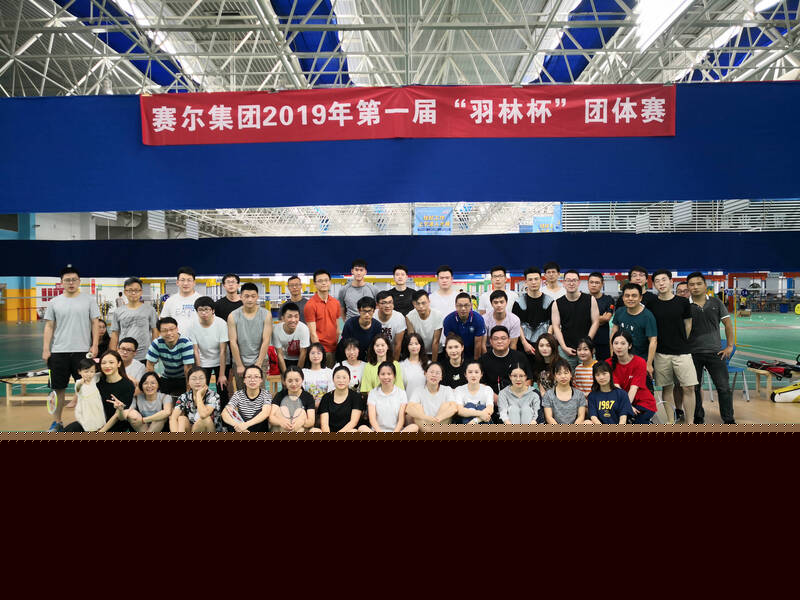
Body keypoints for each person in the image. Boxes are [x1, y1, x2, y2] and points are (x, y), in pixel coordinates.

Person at [43, 265, 101, 432]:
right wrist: (46, 348)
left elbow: (95, 323)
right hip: (58, 352)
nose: (71, 283)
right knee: (58, 389)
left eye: (74, 280)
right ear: (61, 282)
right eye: (67, 280)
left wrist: (95, 344)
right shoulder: (54, 302)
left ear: (79, 281)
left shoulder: (89, 300)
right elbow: (49, 326)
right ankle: (57, 422)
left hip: (82, 352)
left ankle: (86, 422)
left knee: (86, 387)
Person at [686, 272, 736, 424]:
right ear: (688, 287)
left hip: (716, 352)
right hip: (692, 353)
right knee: (694, 388)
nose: (695, 287)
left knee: (723, 387)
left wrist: (729, 346)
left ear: (705, 285)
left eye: (698, 283)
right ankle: (698, 417)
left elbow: (728, 325)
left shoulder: (716, 302)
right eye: (692, 284)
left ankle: (728, 419)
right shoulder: (684, 305)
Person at [649, 270, 697, 424]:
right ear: (654, 284)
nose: (661, 283)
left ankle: (690, 422)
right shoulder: (651, 304)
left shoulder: (683, 302)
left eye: (664, 279)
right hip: (661, 353)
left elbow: (688, 324)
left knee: (689, 387)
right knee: (667, 388)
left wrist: (681, 341)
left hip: (682, 352)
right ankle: (671, 421)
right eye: (657, 281)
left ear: (671, 282)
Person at [551, 270, 599, 369]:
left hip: (586, 350)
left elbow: (595, 322)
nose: (571, 283)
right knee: (565, 376)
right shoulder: (557, 303)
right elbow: (556, 326)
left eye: (574, 280)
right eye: (568, 280)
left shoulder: (590, 300)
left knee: (589, 376)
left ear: (579, 282)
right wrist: (563, 347)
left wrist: (586, 343)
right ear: (564, 283)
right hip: (566, 350)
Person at [228, 282, 271, 393]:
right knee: (242, 393)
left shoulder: (266, 314)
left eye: (253, 296)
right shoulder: (233, 316)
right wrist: (239, 365)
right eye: (246, 296)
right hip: (240, 360)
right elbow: (233, 342)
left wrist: (259, 363)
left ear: (257, 297)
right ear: (241, 297)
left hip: (260, 359)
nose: (250, 299)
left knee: (259, 392)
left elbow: (266, 340)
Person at [479, 326, 528, 422]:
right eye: (496, 339)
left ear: (509, 340)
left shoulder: (520, 357)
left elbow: (528, 380)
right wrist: (499, 400)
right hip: (492, 402)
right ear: (491, 341)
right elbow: (481, 384)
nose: (499, 341)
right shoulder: (483, 360)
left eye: (503, 338)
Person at [185, 296, 228, 404]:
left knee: (222, 389)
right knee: (201, 390)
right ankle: (202, 412)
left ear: (213, 310)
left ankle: (223, 413)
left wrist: (222, 374)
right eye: (200, 310)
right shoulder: (192, 326)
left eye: (207, 309)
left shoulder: (221, 323)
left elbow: (223, 351)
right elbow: (196, 351)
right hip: (203, 361)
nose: (204, 313)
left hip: (220, 361)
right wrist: (200, 373)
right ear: (196, 311)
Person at [608, 330, 657, 424]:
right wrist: (627, 406)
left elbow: (633, 388)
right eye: (616, 343)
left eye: (623, 343)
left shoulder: (640, 362)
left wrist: (626, 406)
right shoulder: (608, 363)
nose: (619, 347)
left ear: (629, 346)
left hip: (642, 402)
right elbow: (617, 389)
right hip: (620, 401)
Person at [610, 283, 658, 377]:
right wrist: (612, 355)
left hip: (640, 361)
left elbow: (653, 341)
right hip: (621, 359)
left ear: (640, 298)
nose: (630, 298)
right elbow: (613, 334)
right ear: (623, 298)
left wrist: (648, 364)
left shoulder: (648, 316)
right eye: (627, 296)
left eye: (634, 296)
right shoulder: (620, 312)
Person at [358, 362, 418, 432]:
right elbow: (372, 419)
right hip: (377, 432)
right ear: (378, 376)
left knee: (414, 427)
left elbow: (401, 419)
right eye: (383, 374)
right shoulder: (372, 393)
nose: (386, 377)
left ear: (394, 376)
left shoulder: (401, 393)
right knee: (362, 428)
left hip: (396, 432)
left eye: (389, 374)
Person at [513, 267, 554, 368]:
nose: (533, 282)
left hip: (544, 347)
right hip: (524, 346)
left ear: (541, 280)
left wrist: (546, 343)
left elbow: (552, 323)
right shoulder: (519, 302)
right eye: (530, 279)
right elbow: (517, 324)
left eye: (536, 279)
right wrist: (524, 343)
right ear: (526, 282)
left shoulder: (549, 301)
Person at [110, 276, 158, 362]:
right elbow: (115, 334)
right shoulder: (118, 311)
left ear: (141, 292)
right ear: (125, 292)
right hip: (124, 355)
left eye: (136, 290)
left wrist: (154, 352)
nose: (133, 293)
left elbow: (155, 331)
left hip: (145, 355)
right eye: (130, 290)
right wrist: (113, 355)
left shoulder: (150, 310)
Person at [146, 317, 195, 399]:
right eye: (165, 330)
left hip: (184, 378)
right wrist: (153, 384)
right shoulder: (157, 343)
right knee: (161, 399)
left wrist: (188, 391)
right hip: (167, 377)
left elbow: (188, 368)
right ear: (159, 332)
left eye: (172, 329)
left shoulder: (185, 343)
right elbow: (149, 366)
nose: (169, 333)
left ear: (177, 329)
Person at [305, 269, 342, 367]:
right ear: (315, 284)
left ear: (330, 282)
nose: (324, 283)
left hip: (334, 349)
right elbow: (312, 333)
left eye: (326, 280)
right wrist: (319, 353)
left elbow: (337, 328)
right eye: (320, 281)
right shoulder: (310, 305)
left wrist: (334, 347)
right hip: (321, 351)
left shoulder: (336, 303)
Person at [169, 366, 222, 432]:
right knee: (181, 419)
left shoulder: (213, 396)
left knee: (206, 419)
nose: (197, 382)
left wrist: (198, 394)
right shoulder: (184, 396)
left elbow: (203, 415)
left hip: (211, 430)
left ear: (206, 380)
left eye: (201, 378)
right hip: (193, 429)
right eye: (193, 379)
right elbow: (173, 418)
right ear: (188, 382)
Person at [221, 365, 273, 432]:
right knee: (231, 415)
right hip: (241, 429)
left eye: (256, 377)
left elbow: (265, 413)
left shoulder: (266, 394)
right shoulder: (238, 394)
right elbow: (224, 413)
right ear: (244, 380)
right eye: (249, 377)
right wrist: (238, 426)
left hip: (258, 428)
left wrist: (246, 425)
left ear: (261, 380)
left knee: (259, 413)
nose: (252, 380)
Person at [406, 362, 458, 428]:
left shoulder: (447, 389)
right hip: (424, 425)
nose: (434, 375)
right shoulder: (418, 390)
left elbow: (454, 408)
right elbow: (408, 409)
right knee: (416, 407)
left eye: (437, 373)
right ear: (425, 374)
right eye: (431, 372)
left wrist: (438, 418)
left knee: (447, 406)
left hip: (441, 424)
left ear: (441, 377)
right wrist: (426, 418)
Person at [317, 365, 366, 432]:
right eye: (338, 377)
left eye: (344, 377)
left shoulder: (356, 397)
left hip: (348, 432)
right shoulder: (326, 397)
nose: (341, 380)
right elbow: (324, 424)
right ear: (333, 379)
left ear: (349, 380)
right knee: (314, 430)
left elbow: (353, 422)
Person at [62, 358, 105, 433]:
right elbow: (77, 390)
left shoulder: (94, 378)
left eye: (92, 371)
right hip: (86, 409)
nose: (89, 374)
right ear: (79, 372)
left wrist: (99, 361)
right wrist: (80, 384)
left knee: (99, 423)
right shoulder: (79, 382)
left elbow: (103, 372)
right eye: (86, 371)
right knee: (89, 426)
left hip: (96, 407)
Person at [541, 359, 589, 424]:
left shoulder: (579, 394)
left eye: (566, 373)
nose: (563, 376)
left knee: (588, 423)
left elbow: (581, 417)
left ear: (571, 374)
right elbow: (549, 418)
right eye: (559, 374)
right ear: (554, 376)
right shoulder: (548, 395)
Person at [269, 366, 315, 432]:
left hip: (301, 429)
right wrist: (281, 423)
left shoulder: (308, 397)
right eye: (290, 381)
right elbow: (271, 418)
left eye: (297, 380)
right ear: (284, 382)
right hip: (281, 429)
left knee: (301, 412)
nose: (293, 384)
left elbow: (311, 421)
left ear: (302, 380)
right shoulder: (280, 395)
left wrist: (301, 422)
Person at [442, 292, 487, 360]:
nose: (463, 308)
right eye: (460, 305)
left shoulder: (478, 319)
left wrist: (475, 361)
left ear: (471, 305)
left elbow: (478, 343)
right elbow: (450, 343)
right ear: (456, 306)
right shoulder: (448, 320)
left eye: (466, 305)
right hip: (456, 353)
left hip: (472, 352)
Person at [337, 296, 382, 362]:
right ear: (359, 311)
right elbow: (345, 345)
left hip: (368, 358)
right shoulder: (350, 323)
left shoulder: (377, 325)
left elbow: (376, 345)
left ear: (374, 311)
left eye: (369, 311)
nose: (367, 314)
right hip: (350, 356)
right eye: (364, 311)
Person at [159, 266, 201, 335]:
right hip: (175, 340)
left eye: (189, 280)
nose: (185, 283)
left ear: (194, 283)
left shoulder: (202, 300)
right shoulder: (170, 301)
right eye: (182, 280)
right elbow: (163, 323)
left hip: (198, 340)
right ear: (177, 282)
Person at [405, 289, 443, 361]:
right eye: (417, 303)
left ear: (429, 302)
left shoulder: (438, 315)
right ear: (413, 304)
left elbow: (436, 341)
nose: (421, 306)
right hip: (419, 352)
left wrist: (433, 363)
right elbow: (412, 340)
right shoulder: (409, 317)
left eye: (423, 303)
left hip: (436, 352)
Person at [272, 302, 310, 372]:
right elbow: (279, 354)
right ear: (283, 318)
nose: (293, 320)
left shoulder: (304, 329)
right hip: (285, 359)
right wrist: (285, 374)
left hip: (300, 359)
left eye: (296, 316)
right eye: (289, 316)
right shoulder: (276, 330)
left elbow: (303, 353)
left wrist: (297, 373)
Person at [587, 272, 614, 362]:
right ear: (588, 283)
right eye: (591, 282)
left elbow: (607, 318)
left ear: (602, 284)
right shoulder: (583, 299)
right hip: (587, 341)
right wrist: (600, 318)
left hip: (603, 342)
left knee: (604, 367)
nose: (594, 285)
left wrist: (589, 318)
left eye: (597, 282)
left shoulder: (608, 299)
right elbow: (581, 318)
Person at [375, 291, 407, 358]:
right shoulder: (372, 316)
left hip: (391, 352)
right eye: (383, 303)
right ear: (377, 305)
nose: (387, 306)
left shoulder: (399, 317)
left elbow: (397, 344)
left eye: (390, 302)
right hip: (374, 352)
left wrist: (394, 362)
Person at [399, 333, 429, 402]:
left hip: (425, 404)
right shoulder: (401, 366)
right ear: (407, 346)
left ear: (421, 345)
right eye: (410, 344)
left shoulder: (428, 364)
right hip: (408, 403)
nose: (414, 346)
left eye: (416, 343)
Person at [302, 342, 333, 408]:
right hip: (307, 406)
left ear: (323, 355)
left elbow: (331, 392)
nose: (315, 356)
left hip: (325, 406)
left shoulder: (329, 372)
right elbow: (301, 392)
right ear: (308, 355)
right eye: (312, 353)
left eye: (318, 353)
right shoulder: (303, 372)